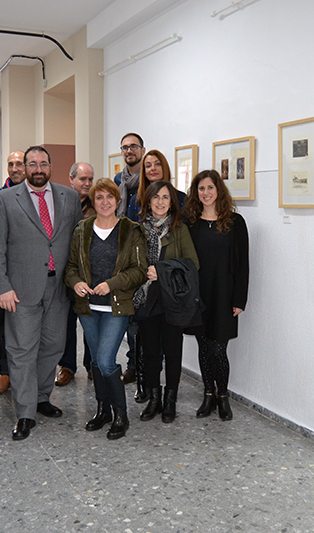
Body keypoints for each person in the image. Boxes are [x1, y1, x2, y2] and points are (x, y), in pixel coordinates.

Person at [0, 146, 83, 441]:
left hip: (59, 286)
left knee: (54, 345)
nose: (38, 169)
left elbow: (77, 240)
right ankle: (25, 412)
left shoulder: (70, 197)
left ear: (51, 166)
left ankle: (41, 397)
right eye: (32, 164)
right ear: (24, 168)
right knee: (21, 350)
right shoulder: (4, 199)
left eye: (43, 163)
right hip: (21, 288)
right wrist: (2, 286)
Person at [64, 178, 147, 439]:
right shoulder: (81, 229)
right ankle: (103, 410)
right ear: (93, 201)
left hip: (116, 306)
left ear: (117, 200)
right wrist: (76, 282)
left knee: (104, 359)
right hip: (87, 308)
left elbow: (139, 271)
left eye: (109, 197)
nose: (104, 202)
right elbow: (71, 268)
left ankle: (121, 413)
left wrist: (111, 284)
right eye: (99, 198)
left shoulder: (131, 230)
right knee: (97, 364)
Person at [184, 170, 249, 421]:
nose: (206, 193)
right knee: (203, 347)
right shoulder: (190, 224)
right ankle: (207, 394)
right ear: (196, 192)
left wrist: (239, 300)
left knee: (219, 349)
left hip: (224, 295)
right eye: (201, 189)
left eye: (210, 188)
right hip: (199, 296)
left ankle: (223, 397)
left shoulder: (235, 222)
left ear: (218, 190)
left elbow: (243, 264)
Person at [134, 180, 199, 423]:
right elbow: (131, 264)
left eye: (165, 197)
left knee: (173, 352)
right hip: (147, 298)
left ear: (172, 202)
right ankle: (154, 399)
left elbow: (193, 263)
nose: (160, 202)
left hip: (173, 300)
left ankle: (170, 400)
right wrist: (145, 274)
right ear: (148, 201)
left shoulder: (179, 228)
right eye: (156, 197)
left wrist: (161, 271)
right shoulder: (137, 228)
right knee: (150, 352)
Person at [125, 149, 186, 400]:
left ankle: (163, 392)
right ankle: (144, 383)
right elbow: (130, 239)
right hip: (142, 286)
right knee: (140, 337)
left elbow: (183, 244)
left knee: (167, 343)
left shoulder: (181, 199)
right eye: (147, 165)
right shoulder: (135, 202)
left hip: (168, 287)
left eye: (156, 164)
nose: (151, 169)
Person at [0, 151, 26, 396]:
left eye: (19, 164)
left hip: (30, 273)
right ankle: (5, 372)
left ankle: (26, 374)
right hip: (5, 275)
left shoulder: (39, 197)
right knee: (1, 328)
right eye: (10, 164)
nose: (14, 168)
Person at [55, 162, 95, 386]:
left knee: (89, 320)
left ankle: (92, 365)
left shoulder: (97, 204)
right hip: (65, 272)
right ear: (71, 179)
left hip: (89, 274)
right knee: (66, 323)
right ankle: (67, 366)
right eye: (82, 179)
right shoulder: (59, 203)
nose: (87, 183)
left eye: (90, 179)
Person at [114, 133, 146, 385]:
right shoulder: (118, 180)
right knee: (130, 319)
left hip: (148, 255)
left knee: (145, 318)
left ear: (142, 149)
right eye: (124, 147)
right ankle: (134, 364)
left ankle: (145, 366)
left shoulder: (152, 179)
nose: (128, 151)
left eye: (133, 146)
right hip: (124, 257)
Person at [126, 149, 186, 222]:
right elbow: (130, 230)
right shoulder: (136, 200)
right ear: (144, 172)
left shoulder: (181, 198)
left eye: (158, 164)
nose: (153, 168)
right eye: (148, 166)